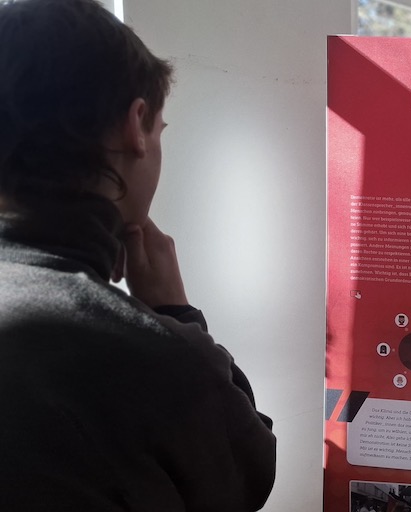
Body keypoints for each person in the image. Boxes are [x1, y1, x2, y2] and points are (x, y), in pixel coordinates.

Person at [0, 0, 276, 509]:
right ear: (137, 125)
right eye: (160, 130)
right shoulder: (154, 360)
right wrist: (177, 313)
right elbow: (248, 473)